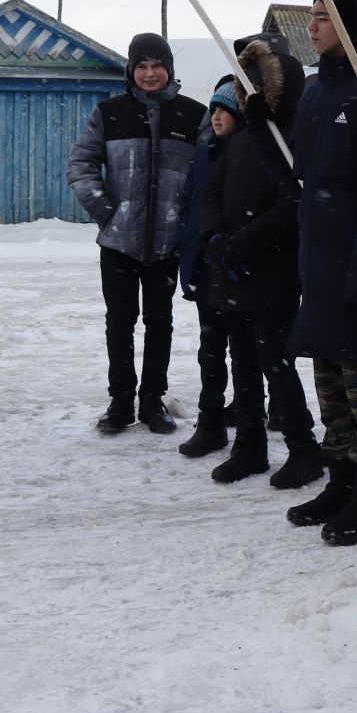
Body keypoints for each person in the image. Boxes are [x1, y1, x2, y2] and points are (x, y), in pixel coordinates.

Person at [247, 0, 357, 547]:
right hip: (318, 271)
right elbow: (296, 177)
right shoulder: (319, 94)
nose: (313, 27)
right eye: (314, 17)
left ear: (354, 29)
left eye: (324, 19)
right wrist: (258, 129)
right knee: (332, 393)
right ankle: (341, 482)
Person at [198, 42, 325, 488]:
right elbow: (211, 193)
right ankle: (249, 446)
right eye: (245, 83)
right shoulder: (240, 139)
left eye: (259, 83)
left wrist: (244, 243)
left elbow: (293, 204)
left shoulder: (292, 137)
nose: (251, 92)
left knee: (277, 365)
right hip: (232, 270)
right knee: (242, 363)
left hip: (272, 271)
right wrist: (214, 237)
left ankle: (303, 448)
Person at [67, 34, 206, 436]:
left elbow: (206, 177)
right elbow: (81, 166)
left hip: (167, 245)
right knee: (120, 323)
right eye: (141, 66)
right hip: (119, 242)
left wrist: (185, 221)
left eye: (156, 65)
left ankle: (151, 402)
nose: (149, 73)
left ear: (169, 70)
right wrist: (108, 211)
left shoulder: (191, 115)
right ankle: (120, 402)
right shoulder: (109, 113)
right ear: (131, 71)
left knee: (160, 323)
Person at [176, 78, 236, 460]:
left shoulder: (250, 153)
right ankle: (210, 422)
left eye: (224, 111)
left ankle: (252, 418)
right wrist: (191, 258)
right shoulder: (204, 152)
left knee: (248, 353)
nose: (215, 117)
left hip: (238, 268)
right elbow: (190, 206)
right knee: (210, 350)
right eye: (213, 110)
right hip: (205, 265)